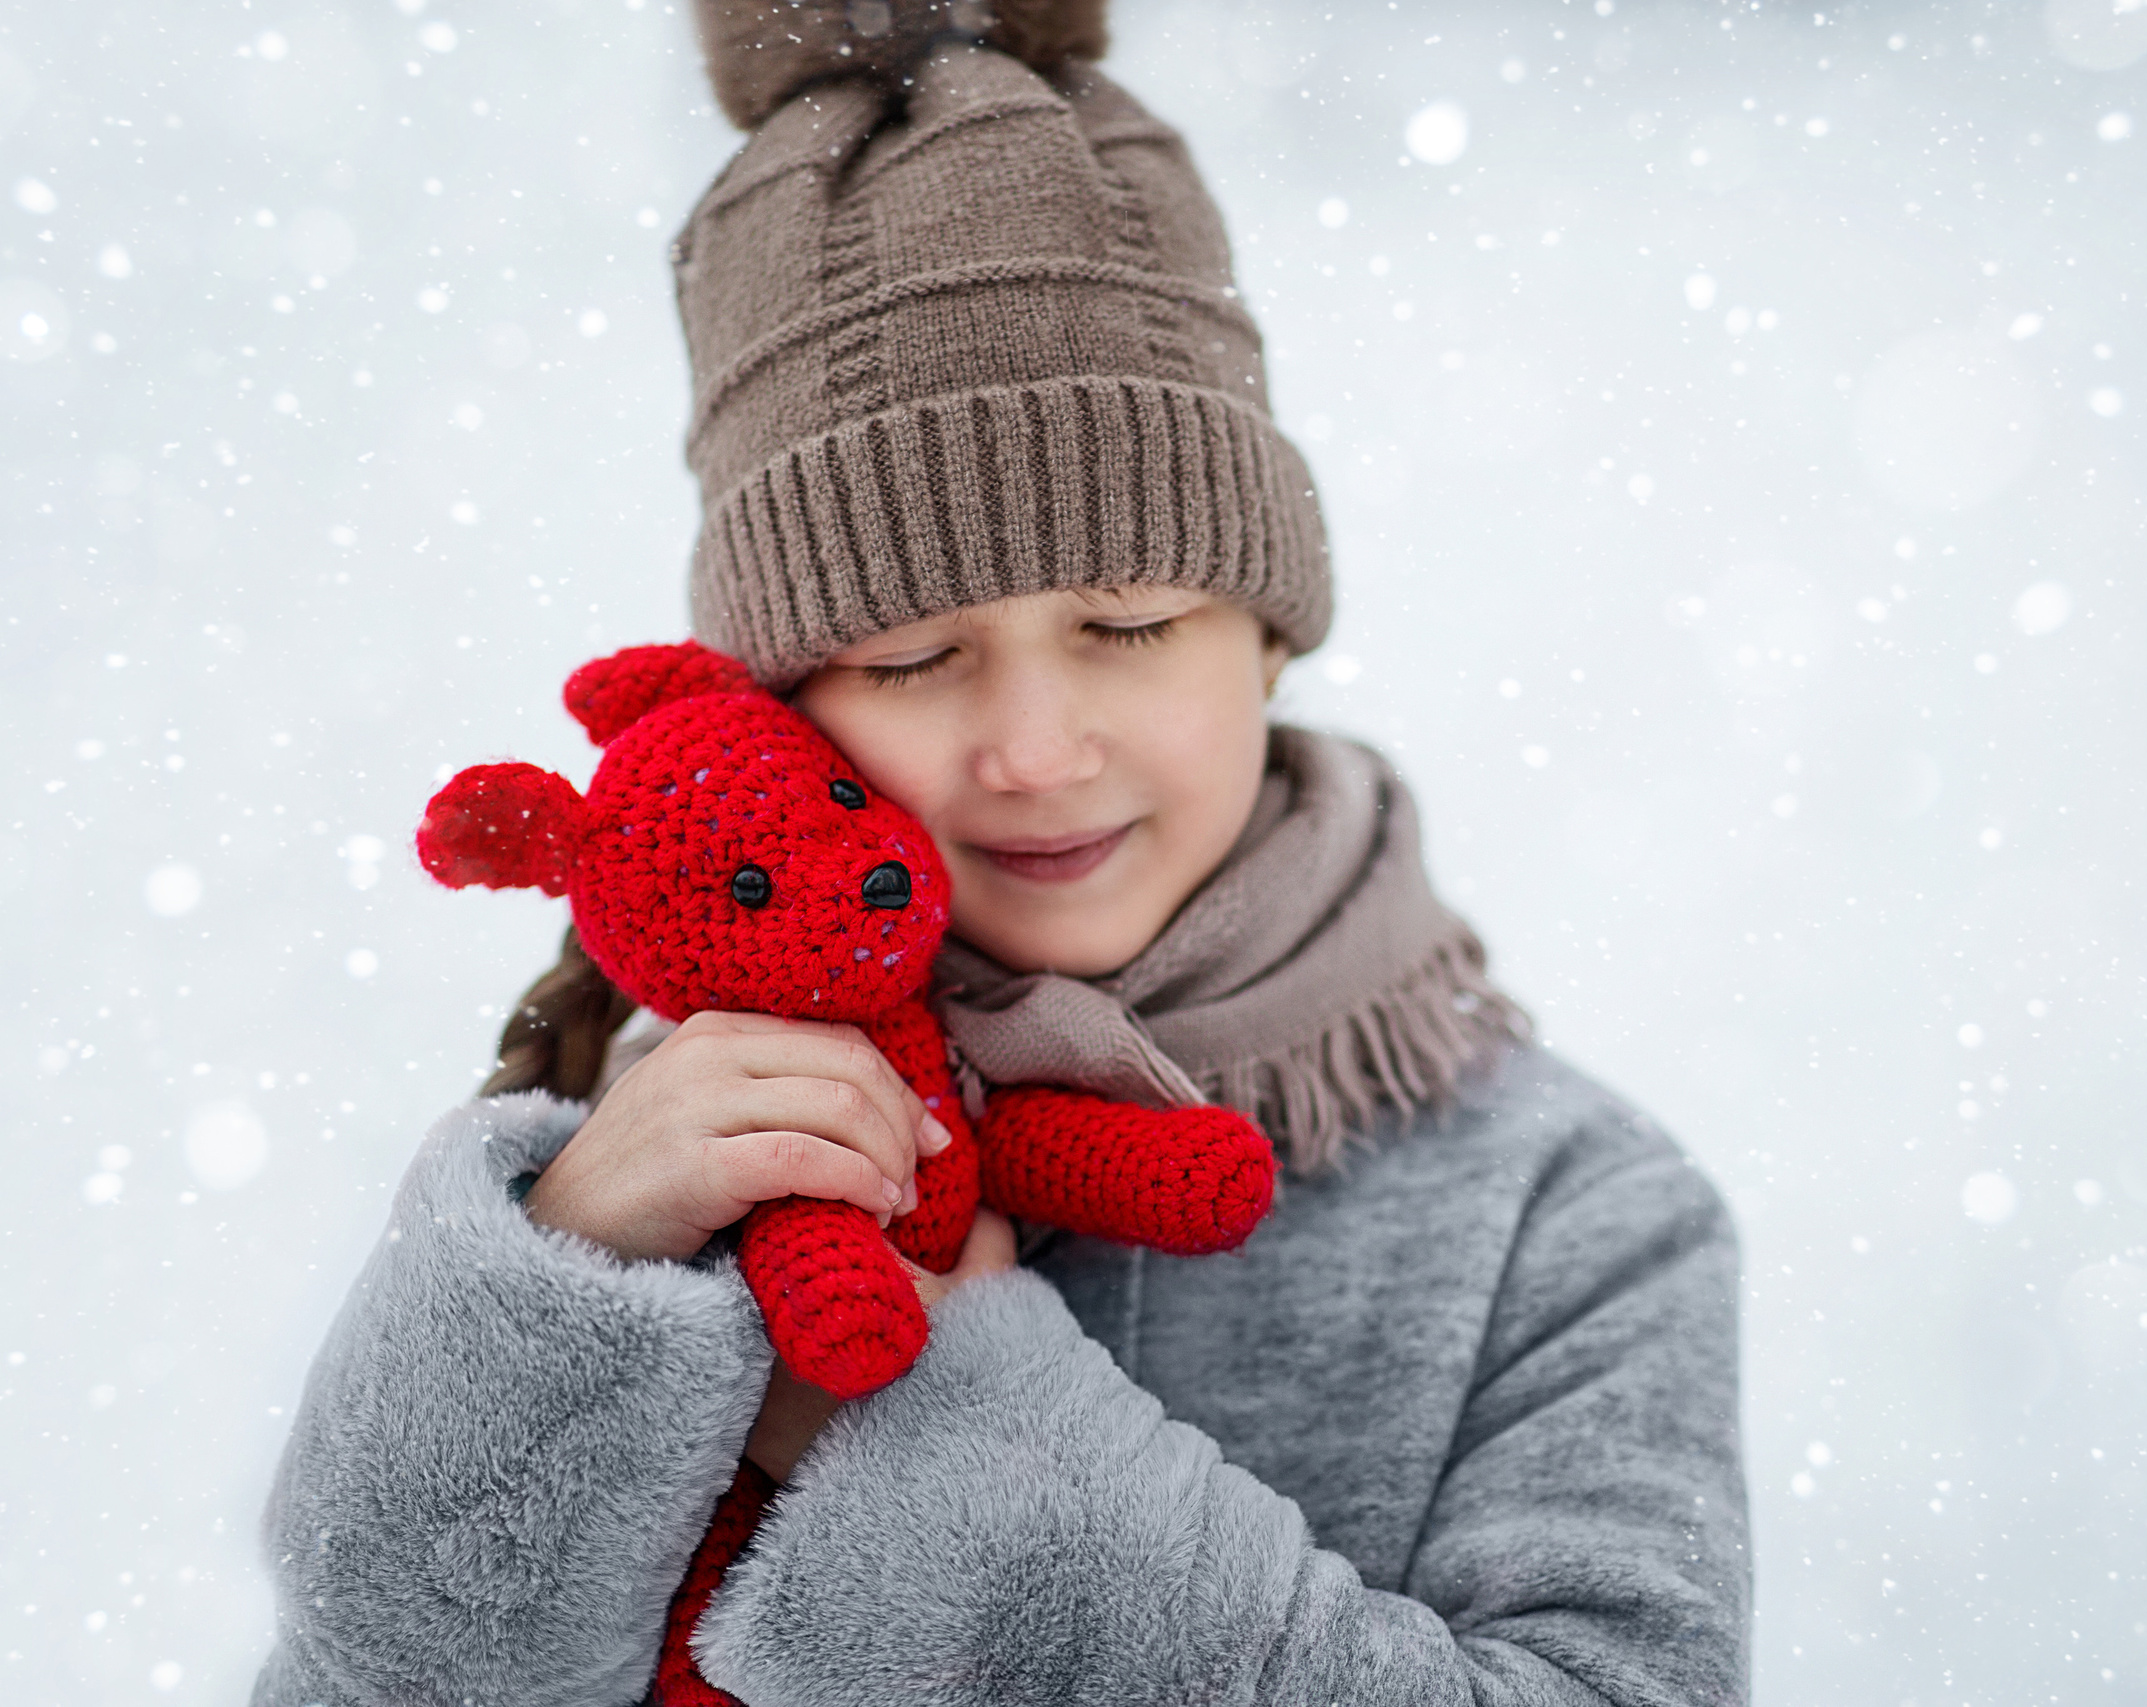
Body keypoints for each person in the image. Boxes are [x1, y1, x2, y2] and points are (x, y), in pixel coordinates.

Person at [250, 3, 1750, 1701]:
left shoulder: (1568, 1218)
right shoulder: (639, 1132)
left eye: (1127, 620)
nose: (1034, 747)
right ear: (769, 700)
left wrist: (938, 1415)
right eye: (907, 657)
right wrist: (577, 1285)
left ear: (1266, 637)